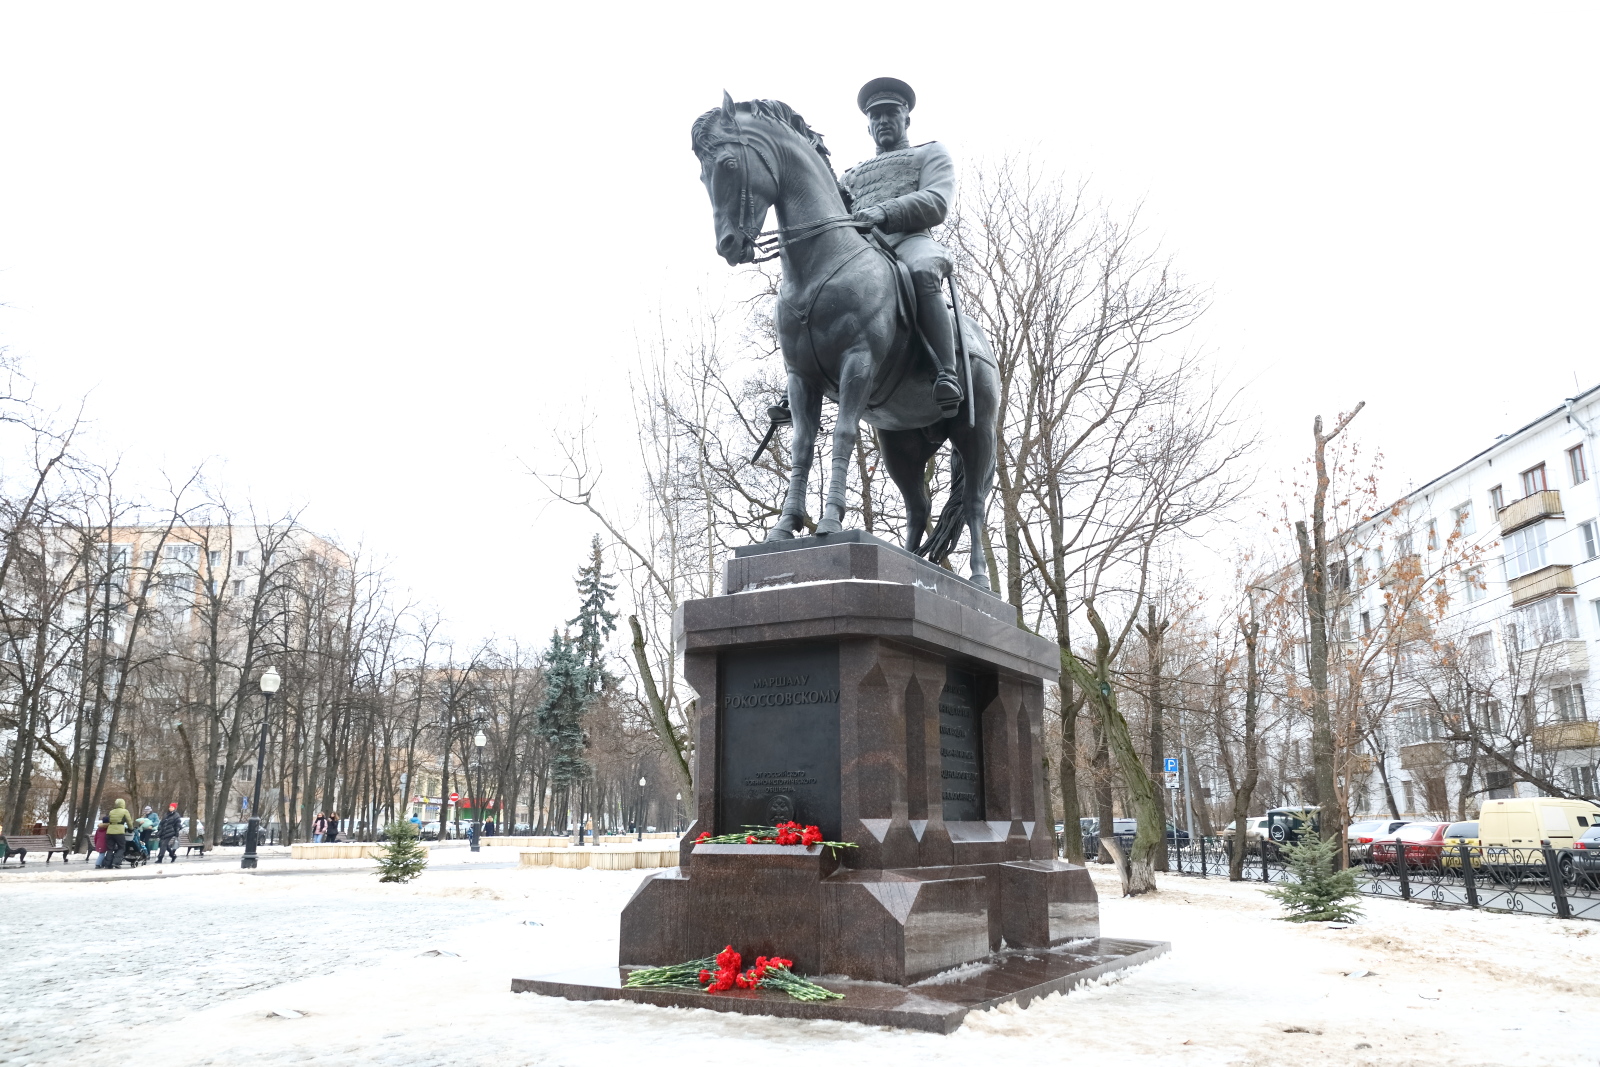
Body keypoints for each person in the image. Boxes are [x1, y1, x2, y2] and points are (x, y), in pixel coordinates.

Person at [839, 77, 963, 416]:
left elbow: (937, 201)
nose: (882, 120)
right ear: (867, 126)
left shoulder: (929, 153)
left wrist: (883, 212)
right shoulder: (849, 177)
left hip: (911, 242)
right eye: (875, 116)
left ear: (906, 118)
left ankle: (946, 373)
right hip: (862, 253)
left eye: (890, 113)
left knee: (921, 270)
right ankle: (800, 383)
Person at [105, 798, 134, 868]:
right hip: (119, 832)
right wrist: (131, 829)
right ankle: (116, 862)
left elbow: (109, 820)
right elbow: (129, 822)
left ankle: (107, 864)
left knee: (110, 848)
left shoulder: (111, 811)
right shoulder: (125, 811)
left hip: (109, 831)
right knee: (121, 847)